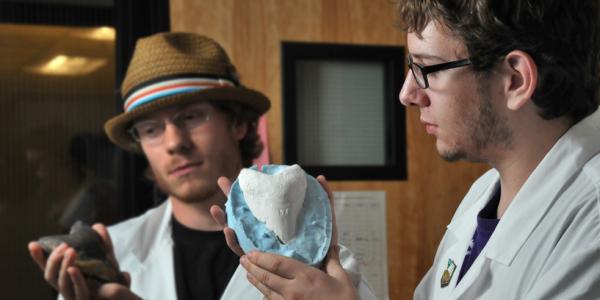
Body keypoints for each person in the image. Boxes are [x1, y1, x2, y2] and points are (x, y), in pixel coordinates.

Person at [228, 0, 600, 299]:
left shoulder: (591, 224)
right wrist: (324, 270)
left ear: (515, 80)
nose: (407, 93)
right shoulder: (483, 196)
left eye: (428, 68)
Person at [28, 32, 375, 300]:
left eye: (192, 116)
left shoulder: (327, 267)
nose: (174, 142)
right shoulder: (110, 261)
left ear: (238, 124)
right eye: (151, 129)